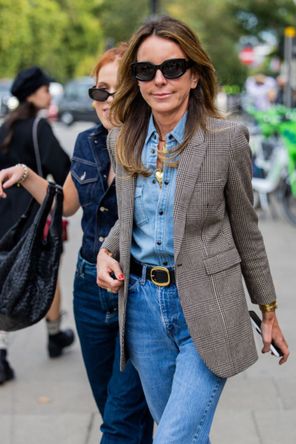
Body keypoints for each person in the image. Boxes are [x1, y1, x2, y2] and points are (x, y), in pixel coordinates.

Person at [96, 16, 290, 443]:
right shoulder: (122, 141)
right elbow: (131, 218)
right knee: (182, 433)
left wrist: (269, 309)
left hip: (207, 306)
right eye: (145, 70)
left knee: (173, 438)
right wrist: (106, 251)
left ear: (196, 75)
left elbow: (247, 229)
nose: (159, 80)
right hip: (144, 309)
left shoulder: (227, 139)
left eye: (173, 68)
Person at [0, 45, 153, 444]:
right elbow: (67, 204)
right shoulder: (88, 142)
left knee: (121, 420)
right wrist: (25, 175)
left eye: (117, 90)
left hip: (137, 293)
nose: (106, 101)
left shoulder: (156, 147)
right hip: (88, 290)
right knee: (113, 408)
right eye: (99, 91)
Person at [0, 66, 74, 385]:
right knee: (46, 269)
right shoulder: (39, 127)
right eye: (45, 88)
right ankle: (55, 335)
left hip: (3, 212)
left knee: (3, 276)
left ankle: (1, 355)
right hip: (33, 213)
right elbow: (62, 166)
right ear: (33, 93)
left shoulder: (5, 126)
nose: (49, 93)